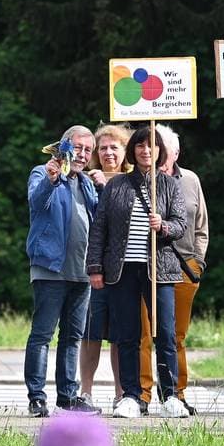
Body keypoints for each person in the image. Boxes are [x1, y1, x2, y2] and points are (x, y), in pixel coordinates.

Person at [87, 128, 188, 419]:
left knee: (166, 334)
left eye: (152, 146)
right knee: (128, 334)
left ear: (160, 152)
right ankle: (132, 395)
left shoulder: (169, 185)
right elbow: (100, 229)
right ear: (133, 150)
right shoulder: (117, 185)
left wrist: (164, 226)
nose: (146, 151)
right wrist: (95, 267)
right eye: (141, 146)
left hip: (160, 270)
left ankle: (170, 395)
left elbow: (181, 224)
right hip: (123, 269)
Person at [23, 125, 100, 418]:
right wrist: (53, 181)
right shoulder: (43, 173)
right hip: (50, 269)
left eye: (87, 150)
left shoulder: (87, 184)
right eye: (77, 147)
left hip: (82, 273)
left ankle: (68, 397)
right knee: (42, 334)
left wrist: (103, 186)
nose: (82, 154)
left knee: (72, 337)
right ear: (64, 145)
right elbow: (35, 201)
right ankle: (37, 398)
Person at [139, 125, 209, 415]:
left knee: (175, 335)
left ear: (175, 153)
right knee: (143, 334)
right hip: (144, 266)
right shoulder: (138, 181)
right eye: (154, 147)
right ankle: (142, 394)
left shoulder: (190, 180)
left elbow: (201, 226)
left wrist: (198, 262)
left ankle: (176, 394)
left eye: (165, 149)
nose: (159, 154)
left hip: (183, 267)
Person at [80, 123, 133, 404]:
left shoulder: (135, 180)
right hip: (94, 267)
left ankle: (121, 393)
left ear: (125, 151)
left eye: (114, 147)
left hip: (125, 268)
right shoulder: (88, 181)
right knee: (91, 331)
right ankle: (85, 391)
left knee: (119, 334)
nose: (109, 152)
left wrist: (110, 184)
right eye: (103, 148)